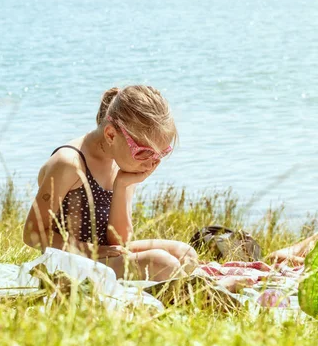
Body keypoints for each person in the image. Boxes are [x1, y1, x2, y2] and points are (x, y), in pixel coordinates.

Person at [23, 86, 198, 281]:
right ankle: (195, 291)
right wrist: (91, 251)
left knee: (186, 254)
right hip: (68, 261)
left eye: (161, 153)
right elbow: (33, 234)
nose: (152, 162)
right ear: (111, 135)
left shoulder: (122, 160)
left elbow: (119, 241)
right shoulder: (69, 163)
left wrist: (122, 186)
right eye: (144, 152)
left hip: (106, 253)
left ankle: (187, 287)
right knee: (161, 263)